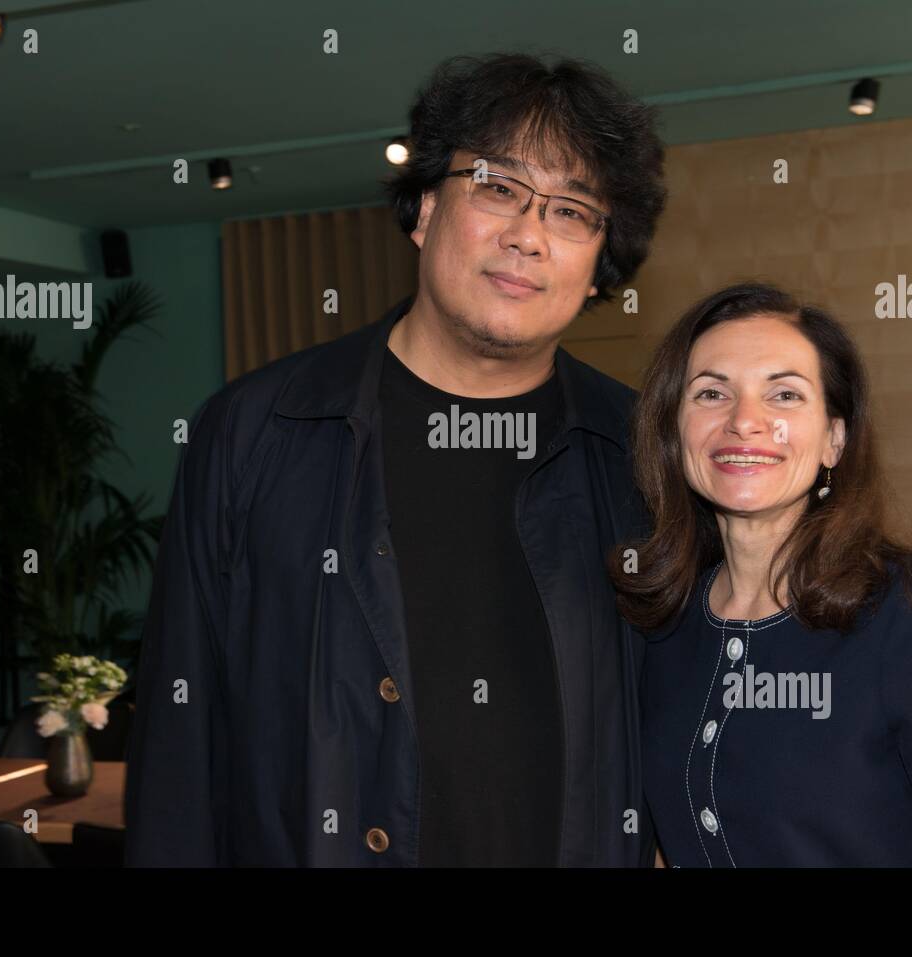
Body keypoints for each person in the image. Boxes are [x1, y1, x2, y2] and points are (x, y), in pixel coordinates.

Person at [124, 52, 668, 866]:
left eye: (571, 211)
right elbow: (179, 741)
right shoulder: (254, 430)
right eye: (496, 187)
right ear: (422, 209)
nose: (527, 234)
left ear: (599, 268)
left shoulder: (643, 456)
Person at [612, 282, 912, 867]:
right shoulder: (659, 620)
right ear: (673, 431)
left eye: (785, 396)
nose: (746, 422)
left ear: (835, 439)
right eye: (712, 393)